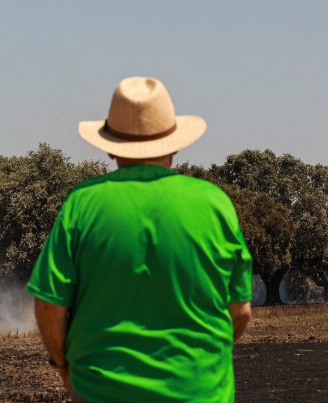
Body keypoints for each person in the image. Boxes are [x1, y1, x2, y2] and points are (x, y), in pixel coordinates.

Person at [27, 76, 253, 402]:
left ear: (110, 147)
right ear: (174, 144)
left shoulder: (82, 204)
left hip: (101, 392)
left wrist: (63, 366)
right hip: (200, 392)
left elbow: (48, 306)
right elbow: (241, 310)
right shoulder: (215, 204)